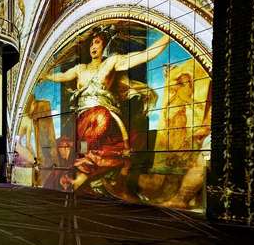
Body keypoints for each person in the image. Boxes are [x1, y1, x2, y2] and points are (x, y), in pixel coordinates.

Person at [43, 26, 169, 193]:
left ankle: (86, 178)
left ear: (104, 45)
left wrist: (168, 36)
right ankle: (82, 176)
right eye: (91, 44)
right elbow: (61, 76)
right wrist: (44, 74)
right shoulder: (81, 69)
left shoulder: (111, 62)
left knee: (121, 145)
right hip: (85, 121)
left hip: (105, 119)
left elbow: (145, 54)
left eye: (97, 42)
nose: (93, 47)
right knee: (89, 141)